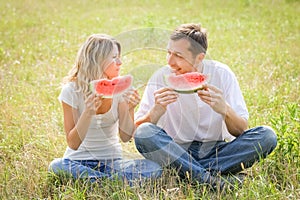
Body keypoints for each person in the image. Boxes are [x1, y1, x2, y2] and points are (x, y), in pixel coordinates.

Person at [134, 23, 277, 190]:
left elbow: (240, 130)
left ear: (200, 57)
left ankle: (184, 174)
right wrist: (156, 111)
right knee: (145, 133)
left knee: (267, 136)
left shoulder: (222, 74)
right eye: (168, 53)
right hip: (174, 149)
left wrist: (225, 110)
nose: (170, 62)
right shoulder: (160, 77)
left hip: (216, 151)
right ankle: (213, 181)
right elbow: (137, 132)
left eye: (179, 56)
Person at [48, 34, 162, 185]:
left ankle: (98, 182)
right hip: (77, 162)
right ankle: (112, 183)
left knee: (153, 168)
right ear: (97, 60)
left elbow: (126, 137)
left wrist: (130, 108)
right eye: (114, 57)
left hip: (113, 163)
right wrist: (88, 113)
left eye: (119, 57)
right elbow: (73, 143)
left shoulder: (122, 88)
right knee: (56, 166)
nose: (120, 62)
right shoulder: (71, 91)